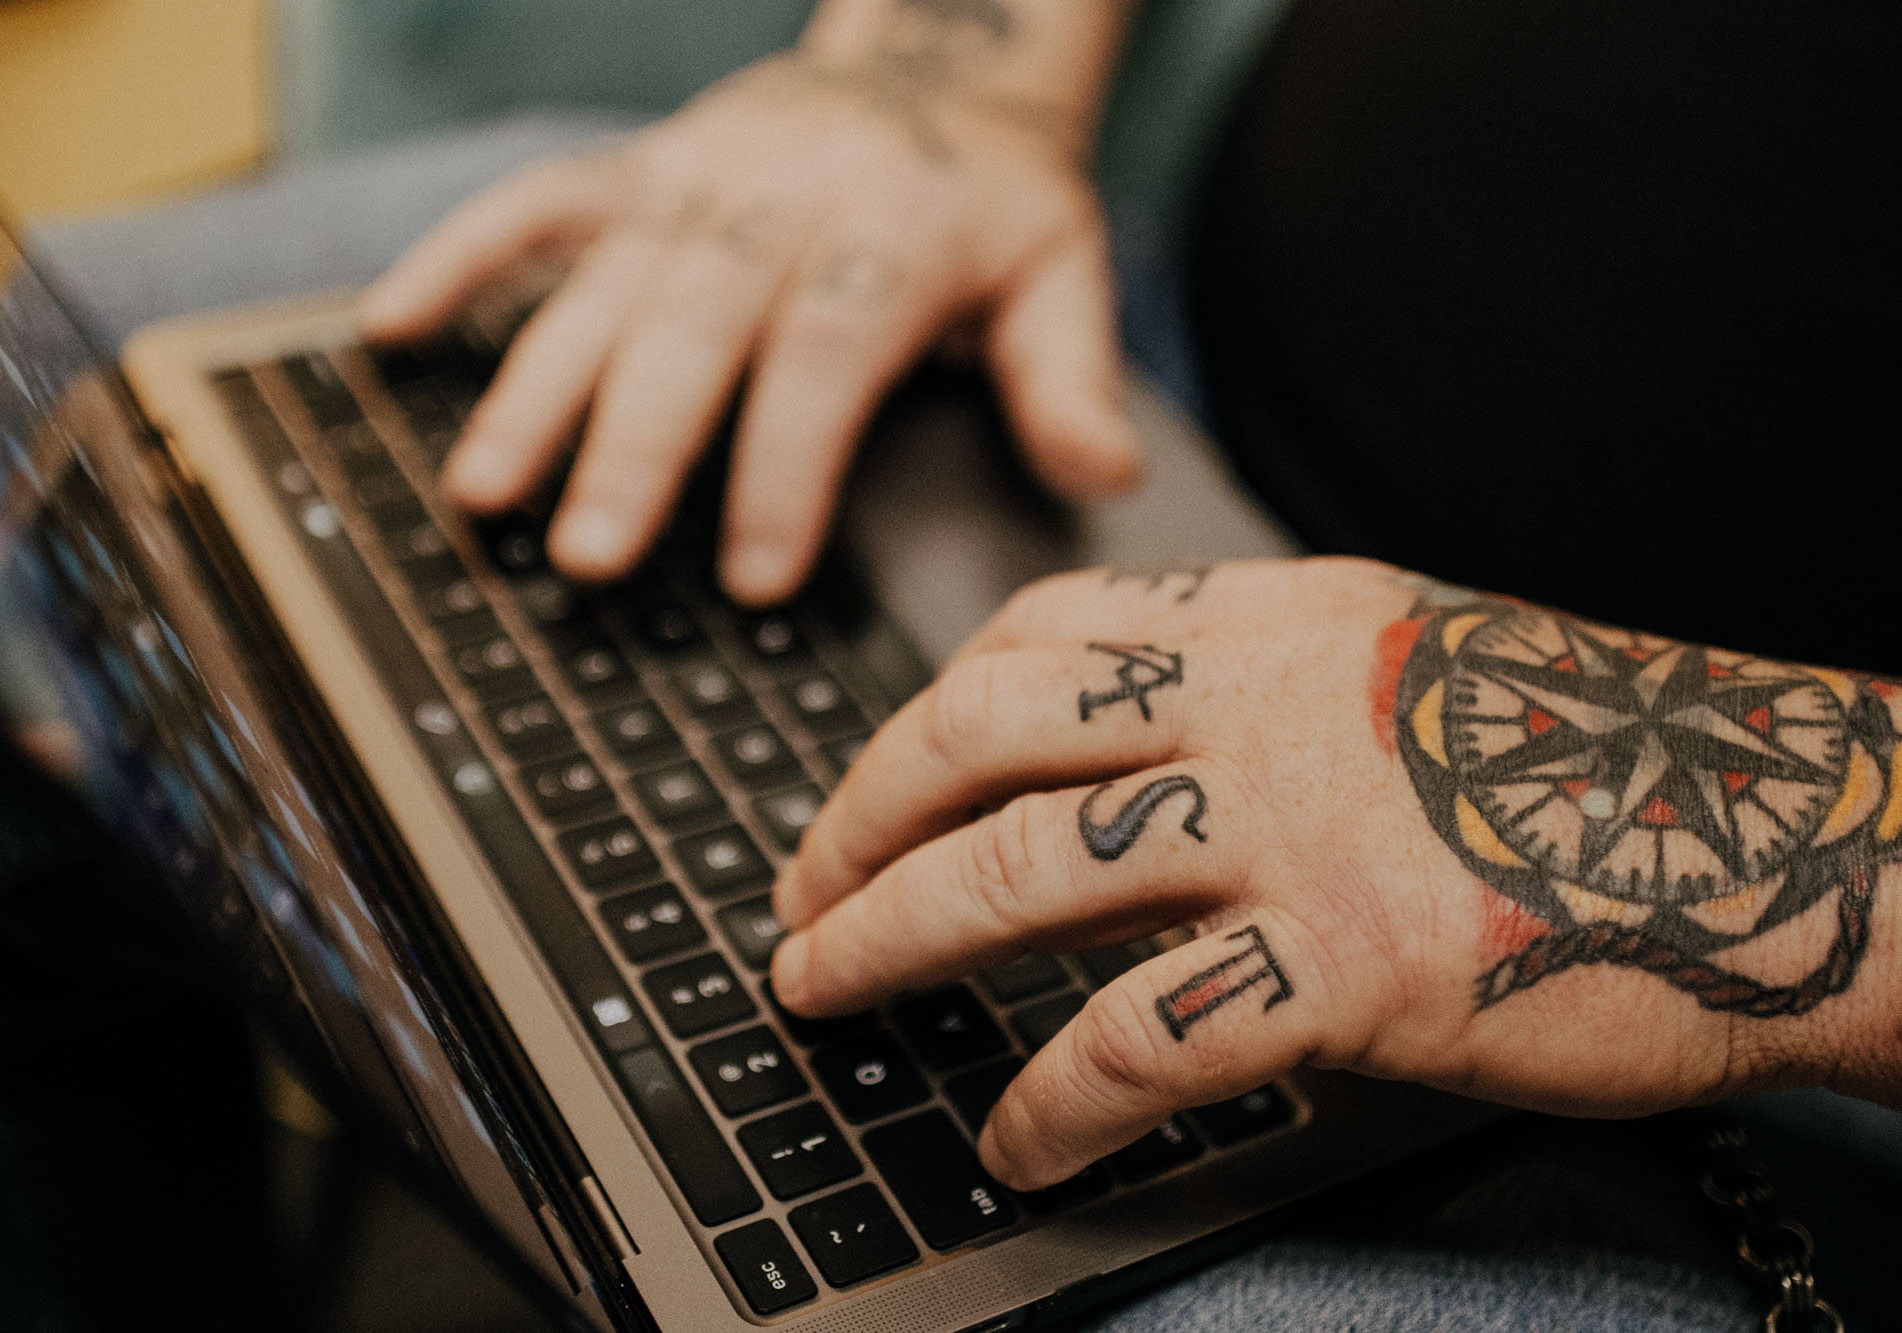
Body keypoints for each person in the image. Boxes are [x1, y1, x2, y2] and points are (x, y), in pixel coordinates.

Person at [358, 0, 1902, 1324]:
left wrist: (1792, 824)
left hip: (1760, 1015)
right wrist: (952, 78)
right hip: (1115, 361)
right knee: (165, 470)